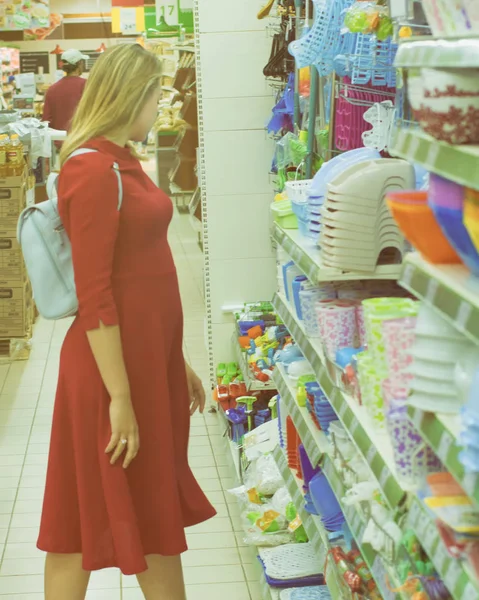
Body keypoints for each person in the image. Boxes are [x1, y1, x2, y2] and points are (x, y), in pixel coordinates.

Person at [37, 43, 216, 600]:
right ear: (132, 96)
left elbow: (139, 274)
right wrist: (119, 397)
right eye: (156, 95)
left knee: (153, 511)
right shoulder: (91, 168)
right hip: (108, 374)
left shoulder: (122, 162)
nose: (159, 105)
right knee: (77, 521)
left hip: (144, 364)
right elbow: (96, 294)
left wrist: (174, 358)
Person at [42, 49, 88, 132]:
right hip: (80, 139)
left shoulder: (52, 89)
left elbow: (46, 120)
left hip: (58, 141)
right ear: (79, 64)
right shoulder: (86, 85)